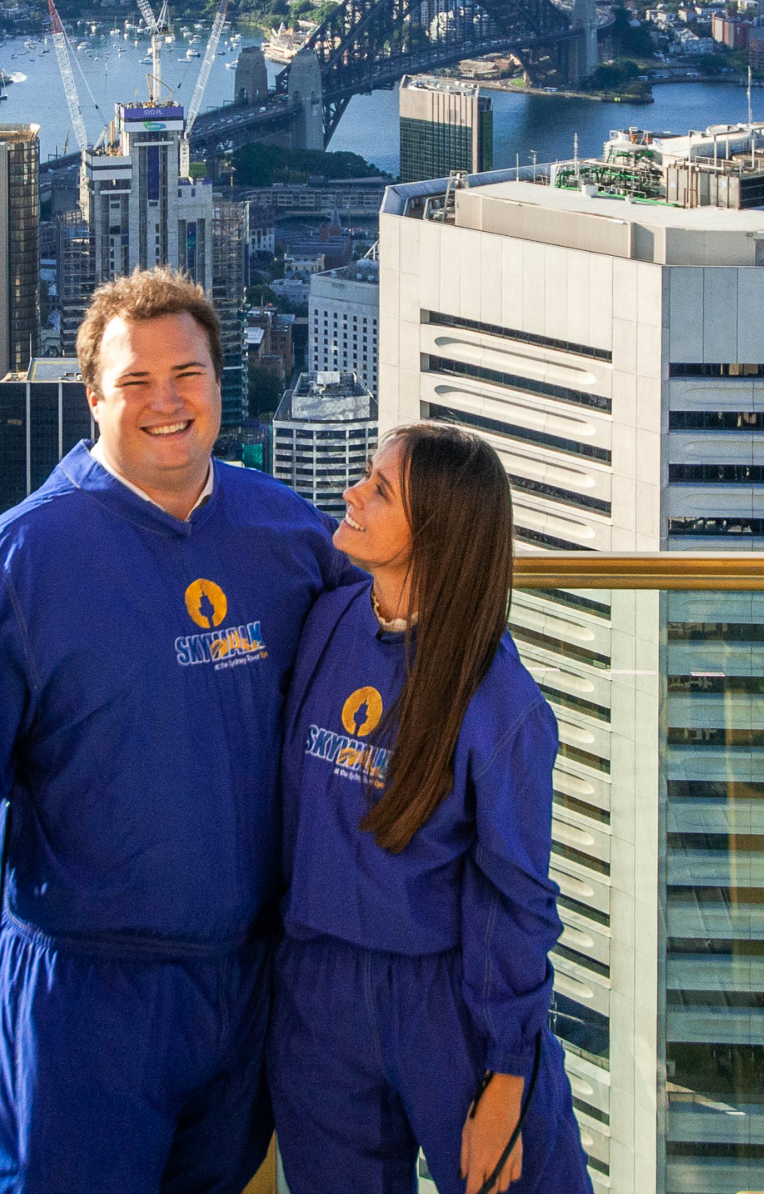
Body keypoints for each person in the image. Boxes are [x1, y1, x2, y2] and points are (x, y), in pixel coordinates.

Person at [0, 267, 357, 1193]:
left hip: (244, 987)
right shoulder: (24, 559)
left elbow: (385, 664)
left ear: (223, 385)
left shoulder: (289, 535)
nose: (166, 402)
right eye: (136, 381)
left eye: (189, 376)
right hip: (81, 994)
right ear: (93, 396)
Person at [270, 424, 589, 1194]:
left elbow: (516, 896)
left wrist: (509, 1074)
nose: (351, 494)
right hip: (318, 1003)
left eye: (380, 489)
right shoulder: (327, 621)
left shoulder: (499, 702)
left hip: (452, 1007)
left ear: (435, 536)